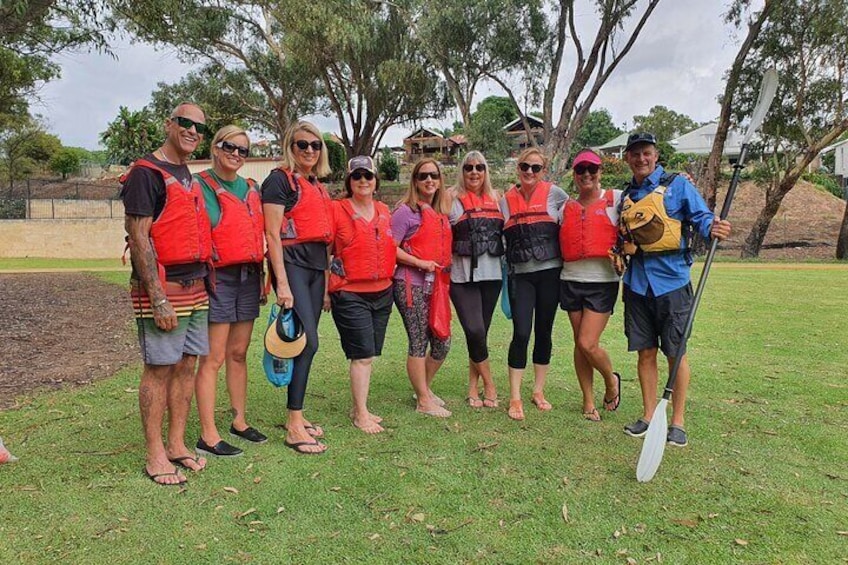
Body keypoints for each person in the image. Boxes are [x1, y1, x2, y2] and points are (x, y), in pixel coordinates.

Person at [618, 132, 731, 447]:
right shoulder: (626, 196)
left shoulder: (678, 185)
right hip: (637, 283)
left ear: (655, 155)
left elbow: (702, 218)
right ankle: (648, 415)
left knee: (675, 352)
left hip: (672, 281)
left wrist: (714, 227)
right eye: (635, 153)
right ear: (627, 158)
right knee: (645, 351)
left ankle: (677, 422)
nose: (641, 159)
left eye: (647, 153)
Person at [121, 102, 211, 485]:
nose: (192, 131)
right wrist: (157, 295)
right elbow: (139, 236)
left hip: (196, 284)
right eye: (185, 123)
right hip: (163, 286)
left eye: (199, 127)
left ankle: (177, 444)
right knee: (158, 368)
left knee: (187, 365)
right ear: (169, 124)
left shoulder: (186, 172)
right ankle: (155, 453)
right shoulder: (146, 173)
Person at [194, 126, 266, 457]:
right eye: (229, 146)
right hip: (218, 277)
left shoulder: (251, 188)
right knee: (214, 357)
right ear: (215, 147)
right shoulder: (201, 184)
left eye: (243, 150)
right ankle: (207, 435)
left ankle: (239, 421)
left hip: (248, 276)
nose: (236, 154)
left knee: (239, 352)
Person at [262, 121, 333, 455]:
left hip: (316, 267)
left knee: (307, 344)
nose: (309, 151)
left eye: (315, 145)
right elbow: (273, 235)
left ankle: (298, 414)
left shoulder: (316, 184)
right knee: (308, 344)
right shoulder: (279, 181)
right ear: (291, 146)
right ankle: (293, 425)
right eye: (302, 145)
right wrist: (283, 284)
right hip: (293, 266)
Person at [328, 156, 396, 434]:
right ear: (349, 182)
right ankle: (361, 414)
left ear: (376, 180)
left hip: (382, 291)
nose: (363, 181)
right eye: (357, 176)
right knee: (362, 355)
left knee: (370, 353)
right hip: (350, 292)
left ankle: (360, 406)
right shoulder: (336, 210)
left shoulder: (384, 210)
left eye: (368, 176)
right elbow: (326, 253)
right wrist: (324, 291)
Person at [500, 147, 568, 421]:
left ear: (543, 171)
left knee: (544, 331)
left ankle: (538, 391)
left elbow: (575, 219)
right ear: (518, 168)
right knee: (522, 333)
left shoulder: (556, 195)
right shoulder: (505, 200)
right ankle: (515, 395)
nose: (530, 172)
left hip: (550, 273)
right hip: (521, 275)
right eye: (525, 167)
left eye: (536, 168)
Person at [558, 149, 622, 422]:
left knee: (588, 342)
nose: (586, 175)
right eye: (580, 170)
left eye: (592, 170)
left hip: (602, 281)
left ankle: (611, 381)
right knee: (579, 343)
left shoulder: (616, 199)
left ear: (600, 173)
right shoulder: (564, 207)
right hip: (571, 279)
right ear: (574, 175)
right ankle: (587, 400)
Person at [392, 158, 452, 418]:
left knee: (442, 342)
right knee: (418, 340)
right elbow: (389, 247)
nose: (429, 180)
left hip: (436, 287)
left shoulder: (440, 213)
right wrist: (419, 262)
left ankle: (423, 389)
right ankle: (423, 400)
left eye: (434, 176)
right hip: (409, 284)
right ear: (415, 181)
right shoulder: (405, 211)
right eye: (423, 176)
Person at [448, 151, 503, 408]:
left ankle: (473, 387)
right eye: (469, 167)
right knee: (475, 329)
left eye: (479, 167)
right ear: (462, 170)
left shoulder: (497, 199)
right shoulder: (451, 200)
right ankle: (490, 384)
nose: (474, 172)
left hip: (492, 276)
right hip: (462, 276)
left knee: (480, 334)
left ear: (485, 171)